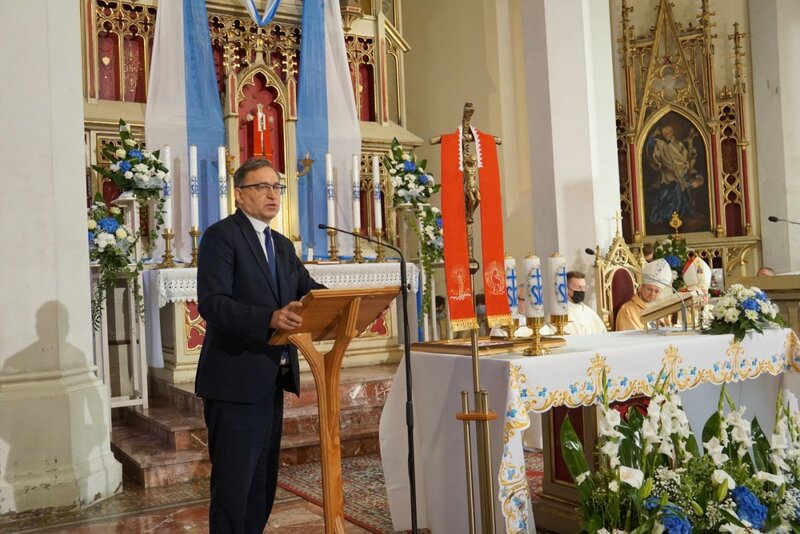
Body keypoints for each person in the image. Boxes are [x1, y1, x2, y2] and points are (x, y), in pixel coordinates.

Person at [195, 158, 325, 533]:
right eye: (262, 187)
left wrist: (353, 300)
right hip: (234, 379)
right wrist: (267, 318)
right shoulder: (222, 236)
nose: (272, 194)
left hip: (270, 379)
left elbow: (309, 290)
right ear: (239, 194)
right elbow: (213, 303)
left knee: (262, 481)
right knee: (235, 483)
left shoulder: (281, 245)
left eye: (276, 187)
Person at [616, 258, 673, 331]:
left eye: (656, 291)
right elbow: (629, 338)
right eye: (649, 289)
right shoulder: (628, 310)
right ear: (641, 287)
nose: (652, 294)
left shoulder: (663, 308)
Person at [563, 271, 607, 335]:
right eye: (578, 287)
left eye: (584, 287)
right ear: (566, 289)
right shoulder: (559, 313)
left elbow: (602, 333)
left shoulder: (589, 312)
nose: (582, 291)